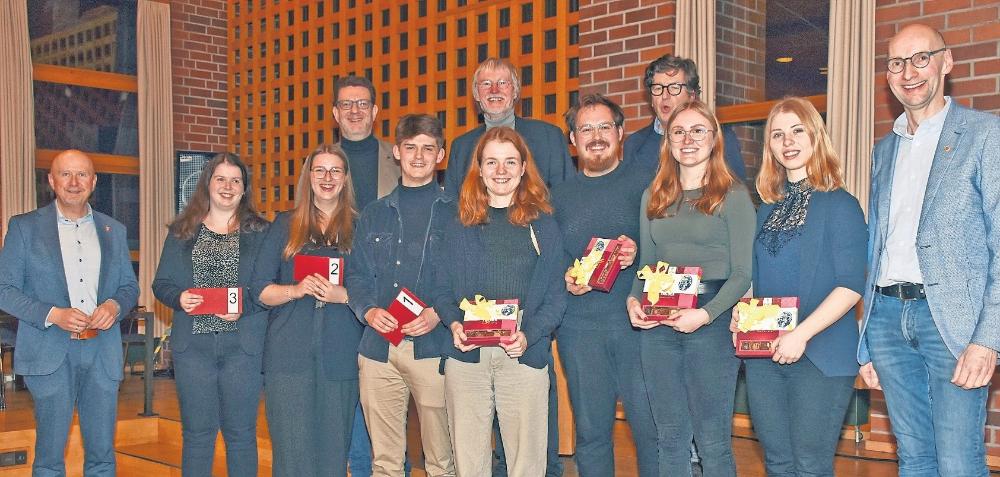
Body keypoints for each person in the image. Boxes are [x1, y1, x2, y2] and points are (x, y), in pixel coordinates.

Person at [857, 23, 1000, 476]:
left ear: (947, 62)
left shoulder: (985, 135)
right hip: (886, 318)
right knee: (915, 458)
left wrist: (988, 339)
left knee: (959, 463)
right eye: (897, 63)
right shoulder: (884, 149)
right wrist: (867, 341)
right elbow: (878, 244)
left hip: (953, 325)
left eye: (921, 58)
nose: (909, 72)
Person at [444, 57, 568, 477]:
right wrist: (453, 323)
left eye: (510, 162)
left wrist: (529, 336)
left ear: (523, 168)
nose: (501, 171)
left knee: (526, 465)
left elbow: (555, 296)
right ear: (477, 169)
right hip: (468, 359)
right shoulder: (459, 225)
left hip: (523, 356)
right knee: (471, 466)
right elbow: (443, 288)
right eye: (491, 162)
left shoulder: (542, 224)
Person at [730, 98, 866, 476]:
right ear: (770, 146)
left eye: (797, 130)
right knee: (777, 463)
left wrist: (800, 335)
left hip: (820, 354)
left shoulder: (841, 204)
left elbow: (851, 284)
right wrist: (743, 307)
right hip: (765, 354)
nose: (787, 141)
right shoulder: (766, 208)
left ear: (815, 137)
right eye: (777, 134)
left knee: (810, 465)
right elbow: (757, 277)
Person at [626, 101, 754, 477]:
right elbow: (646, 266)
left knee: (712, 439)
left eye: (698, 130)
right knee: (669, 437)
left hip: (711, 318)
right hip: (658, 323)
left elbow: (743, 273)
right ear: (668, 141)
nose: (688, 139)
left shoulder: (733, 195)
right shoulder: (654, 195)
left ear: (714, 139)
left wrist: (706, 313)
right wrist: (634, 299)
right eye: (678, 131)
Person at [0, 149, 139, 476]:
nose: (74, 183)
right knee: (49, 457)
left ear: (94, 181)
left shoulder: (113, 231)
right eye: (66, 174)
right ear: (51, 181)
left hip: (101, 351)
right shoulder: (24, 228)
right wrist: (53, 314)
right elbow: (5, 291)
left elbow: (129, 288)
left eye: (82, 175)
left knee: (103, 456)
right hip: (49, 351)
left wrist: (114, 306)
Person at [549, 93, 658, 476]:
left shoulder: (649, 187)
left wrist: (640, 251)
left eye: (604, 127)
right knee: (592, 434)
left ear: (621, 132)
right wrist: (565, 279)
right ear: (573, 141)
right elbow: (550, 257)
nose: (596, 136)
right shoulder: (557, 197)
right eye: (586, 128)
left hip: (639, 327)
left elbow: (671, 250)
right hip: (579, 331)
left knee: (650, 431)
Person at [346, 114, 456, 477]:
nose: (419, 156)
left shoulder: (459, 214)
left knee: (442, 461)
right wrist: (370, 311)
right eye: (411, 147)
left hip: (434, 346)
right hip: (379, 348)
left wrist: (440, 312)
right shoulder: (374, 214)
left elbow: (467, 276)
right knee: (385, 463)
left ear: (441, 155)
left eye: (428, 148)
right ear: (396, 152)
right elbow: (357, 276)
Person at [152, 153, 270, 476]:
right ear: (208, 183)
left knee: (242, 435)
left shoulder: (262, 234)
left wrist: (243, 305)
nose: (228, 187)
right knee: (197, 436)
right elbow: (160, 284)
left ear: (244, 189)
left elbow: (270, 287)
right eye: (221, 179)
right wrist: (180, 297)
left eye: (236, 180)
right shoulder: (182, 231)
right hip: (194, 351)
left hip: (242, 349)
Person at [251, 144, 364, 477]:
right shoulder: (285, 224)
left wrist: (342, 294)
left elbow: (374, 291)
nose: (327, 178)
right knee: (291, 457)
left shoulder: (361, 227)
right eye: (320, 171)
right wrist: (295, 290)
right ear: (308, 177)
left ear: (345, 179)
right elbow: (259, 290)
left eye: (335, 171)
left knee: (332, 456)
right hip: (288, 356)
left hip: (340, 355)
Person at [332, 74, 405, 477]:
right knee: (354, 390)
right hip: (335, 290)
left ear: (375, 111)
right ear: (335, 113)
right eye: (347, 104)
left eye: (362, 103)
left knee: (387, 391)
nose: (355, 111)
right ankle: (360, 467)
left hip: (385, 291)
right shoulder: (319, 161)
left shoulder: (396, 158)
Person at [444, 57, 573, 194]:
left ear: (515, 91)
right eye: (486, 84)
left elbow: (567, 197)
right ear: (476, 94)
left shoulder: (549, 137)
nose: (494, 90)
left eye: (502, 83)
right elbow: (452, 207)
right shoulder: (461, 148)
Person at [623, 54, 746, 181]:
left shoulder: (720, 138)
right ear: (652, 100)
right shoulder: (634, 144)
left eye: (674, 88)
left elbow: (736, 191)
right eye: (658, 88)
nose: (665, 96)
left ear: (691, 96)